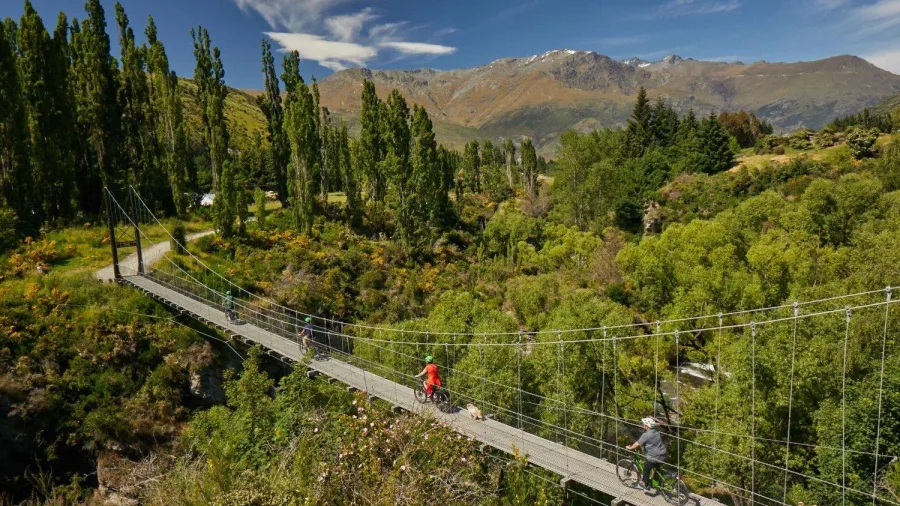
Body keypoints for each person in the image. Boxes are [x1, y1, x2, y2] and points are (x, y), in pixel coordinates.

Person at [626, 417, 669, 492]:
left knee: (646, 468)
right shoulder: (656, 431)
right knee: (656, 466)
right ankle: (657, 481)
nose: (643, 425)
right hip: (663, 454)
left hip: (655, 456)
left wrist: (630, 448)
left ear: (647, 426)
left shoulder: (646, 435)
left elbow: (637, 444)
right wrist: (658, 423)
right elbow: (656, 424)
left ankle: (646, 485)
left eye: (644, 424)